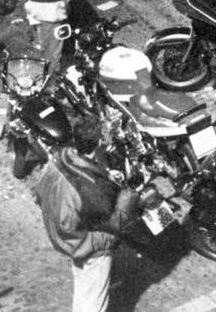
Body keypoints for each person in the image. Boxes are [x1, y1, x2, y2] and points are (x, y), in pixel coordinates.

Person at [33, 116, 140, 312]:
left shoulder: (58, 159)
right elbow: (114, 221)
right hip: (83, 244)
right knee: (92, 297)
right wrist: (129, 199)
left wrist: (106, 175)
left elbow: (39, 192)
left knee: (83, 280)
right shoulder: (91, 189)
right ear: (99, 143)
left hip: (61, 228)